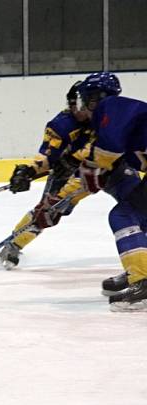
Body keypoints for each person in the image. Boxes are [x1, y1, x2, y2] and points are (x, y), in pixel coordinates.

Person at [67, 72, 147, 311]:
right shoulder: (124, 116)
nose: (82, 108)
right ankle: (140, 269)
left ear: (95, 99)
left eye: (84, 100)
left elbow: (109, 146)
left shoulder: (111, 106)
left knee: (124, 215)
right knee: (141, 217)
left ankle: (142, 282)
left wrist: (94, 167)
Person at [0, 80, 95, 269]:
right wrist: (29, 171)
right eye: (79, 104)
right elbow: (47, 157)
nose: (83, 109)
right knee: (50, 210)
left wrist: (76, 158)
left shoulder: (106, 117)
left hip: (106, 166)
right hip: (75, 172)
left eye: (87, 104)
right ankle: (14, 243)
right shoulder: (62, 125)